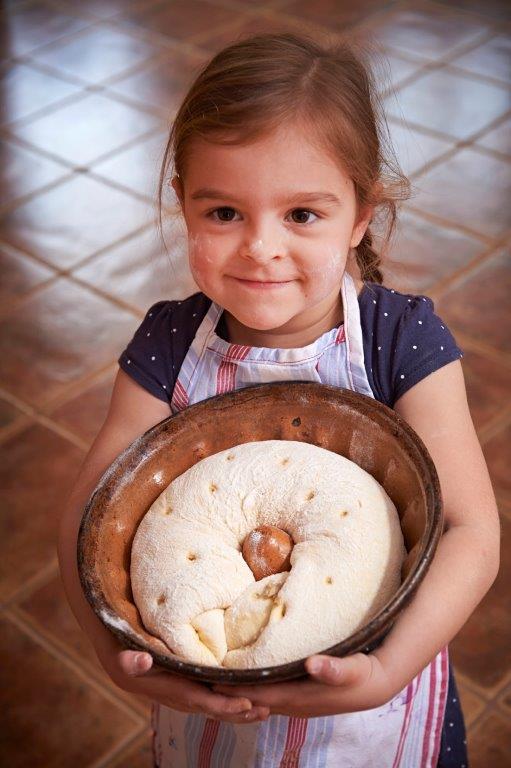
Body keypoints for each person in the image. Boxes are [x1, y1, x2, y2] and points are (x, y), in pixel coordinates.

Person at [58, 33, 500, 767]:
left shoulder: (400, 340)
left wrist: (386, 671)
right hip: (212, 718)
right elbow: (88, 519)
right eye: (224, 213)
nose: (260, 247)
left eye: (301, 215)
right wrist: (110, 646)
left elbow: (470, 534)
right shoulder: (168, 345)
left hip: (372, 714)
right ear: (183, 206)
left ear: (360, 215)